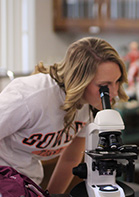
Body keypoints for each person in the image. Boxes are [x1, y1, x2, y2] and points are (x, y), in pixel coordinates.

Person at [0, 37, 129, 194]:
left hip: (27, 180)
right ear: (80, 79)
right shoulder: (30, 97)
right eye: (104, 86)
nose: (114, 92)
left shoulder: (86, 105)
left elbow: (70, 160)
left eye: (116, 82)